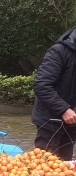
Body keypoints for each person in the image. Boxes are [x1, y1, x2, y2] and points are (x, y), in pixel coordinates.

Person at [32, 27, 76, 161]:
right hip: (50, 122)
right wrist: (64, 109)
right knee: (44, 164)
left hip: (71, 126)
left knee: (64, 167)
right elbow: (42, 85)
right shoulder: (59, 51)